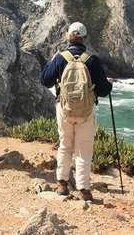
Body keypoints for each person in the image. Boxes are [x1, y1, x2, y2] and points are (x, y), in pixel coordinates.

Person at [40, 21, 113, 201]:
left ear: (68, 37)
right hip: (86, 112)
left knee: (65, 146)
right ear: (85, 38)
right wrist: (109, 84)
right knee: (83, 151)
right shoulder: (92, 60)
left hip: (64, 110)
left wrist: (51, 62)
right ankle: (84, 190)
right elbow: (103, 90)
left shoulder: (60, 58)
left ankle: (62, 184)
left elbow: (45, 81)